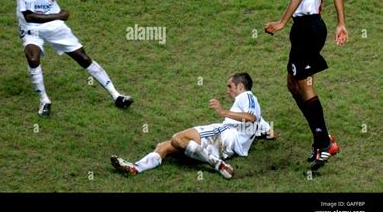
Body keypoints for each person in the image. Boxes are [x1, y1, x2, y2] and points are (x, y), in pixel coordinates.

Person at [265, 0, 348, 170]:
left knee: (304, 83)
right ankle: (320, 138)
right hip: (316, 26)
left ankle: (324, 142)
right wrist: (341, 23)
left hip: (305, 28)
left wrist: (281, 22)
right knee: (292, 83)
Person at [16, 0, 133, 117]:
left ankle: (116, 95)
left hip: (53, 25)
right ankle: (44, 100)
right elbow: (29, 16)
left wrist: (56, 16)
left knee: (83, 57)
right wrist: (59, 16)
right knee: (33, 58)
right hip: (31, 26)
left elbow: (50, 2)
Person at [111, 73, 276, 179]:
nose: (228, 91)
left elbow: (251, 117)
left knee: (178, 138)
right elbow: (269, 132)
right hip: (226, 148)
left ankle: (216, 164)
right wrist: (258, 135)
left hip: (223, 135)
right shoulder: (259, 117)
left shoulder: (246, 96)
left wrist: (223, 112)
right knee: (165, 146)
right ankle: (136, 167)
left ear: (240, 86)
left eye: (230, 86)